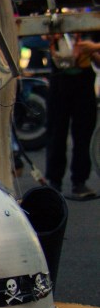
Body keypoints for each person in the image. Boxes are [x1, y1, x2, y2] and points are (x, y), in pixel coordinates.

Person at [45, 32, 99, 201]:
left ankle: (79, 181)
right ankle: (54, 181)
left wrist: (94, 49)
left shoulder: (91, 28)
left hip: (84, 78)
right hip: (60, 78)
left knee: (84, 133)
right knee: (56, 132)